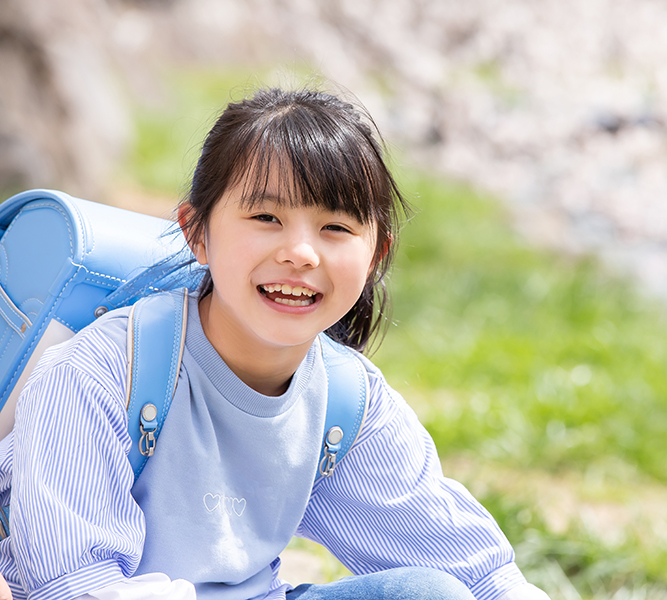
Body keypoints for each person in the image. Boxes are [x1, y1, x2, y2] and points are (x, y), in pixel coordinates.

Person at [0, 88, 551, 600]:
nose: (301, 253)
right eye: (266, 217)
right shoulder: (99, 373)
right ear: (197, 234)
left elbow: (479, 573)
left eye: (335, 227)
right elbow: (72, 586)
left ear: (376, 253)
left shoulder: (344, 401)